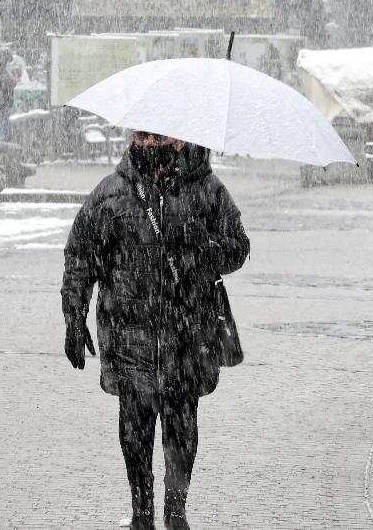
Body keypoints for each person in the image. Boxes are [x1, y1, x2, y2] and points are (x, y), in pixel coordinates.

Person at [62, 131, 250, 530]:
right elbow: (80, 254)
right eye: (141, 135)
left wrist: (204, 244)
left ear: (179, 140)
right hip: (130, 340)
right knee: (135, 434)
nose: (147, 143)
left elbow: (238, 247)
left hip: (187, 338)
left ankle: (176, 511)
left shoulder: (208, 190)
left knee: (181, 432)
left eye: (157, 136)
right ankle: (141, 514)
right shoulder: (112, 192)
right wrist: (73, 318)